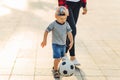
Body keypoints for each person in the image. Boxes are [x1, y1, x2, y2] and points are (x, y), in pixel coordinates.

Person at [41, 6, 73, 78]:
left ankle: (55, 66)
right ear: (56, 16)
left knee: (61, 58)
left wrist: (72, 41)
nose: (63, 20)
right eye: (61, 18)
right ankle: (55, 71)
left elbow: (69, 33)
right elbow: (46, 31)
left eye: (65, 18)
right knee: (57, 58)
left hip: (63, 45)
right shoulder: (53, 24)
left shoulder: (66, 24)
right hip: (56, 44)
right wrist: (44, 40)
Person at [58, 0, 87, 65]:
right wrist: (63, 7)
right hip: (66, 4)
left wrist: (84, 4)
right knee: (72, 30)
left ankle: (72, 57)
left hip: (77, 4)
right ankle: (65, 53)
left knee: (70, 31)